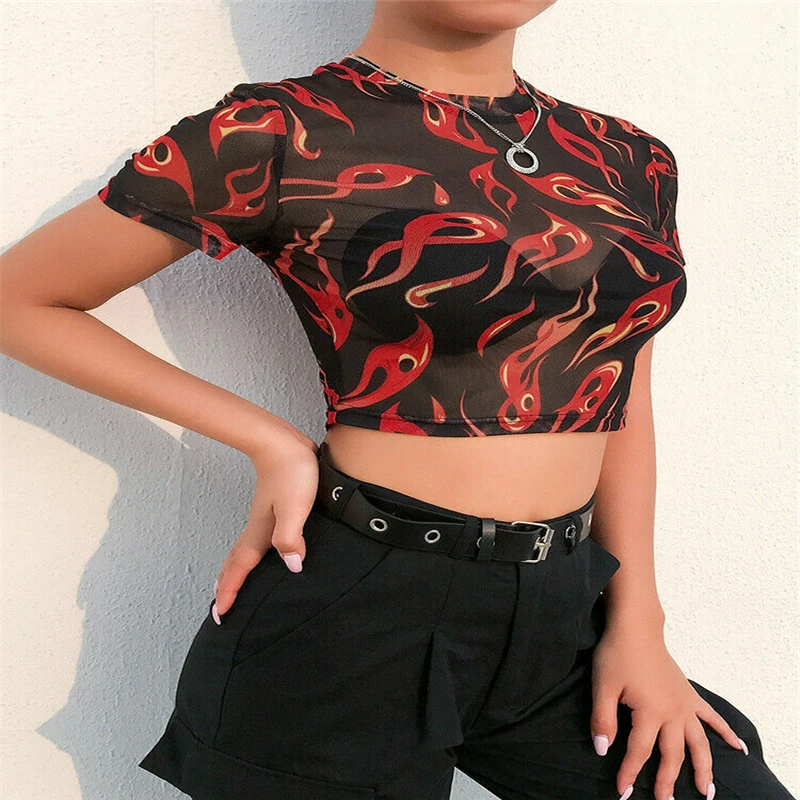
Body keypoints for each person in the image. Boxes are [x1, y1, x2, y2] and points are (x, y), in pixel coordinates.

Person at [1, 2, 795, 799]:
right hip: (353, 614)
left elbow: (617, 387)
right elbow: (19, 299)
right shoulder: (278, 131)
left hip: (564, 615)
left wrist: (639, 622)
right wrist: (269, 442)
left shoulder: (629, 159)